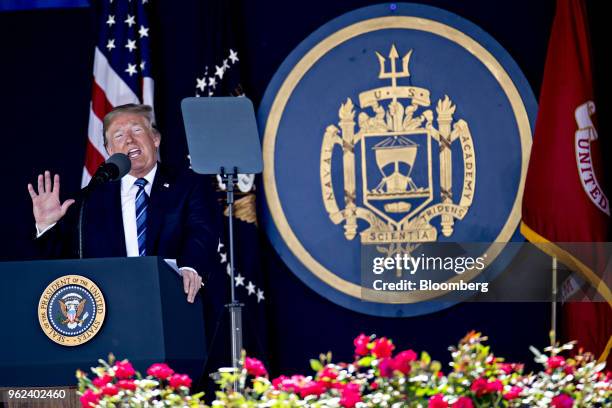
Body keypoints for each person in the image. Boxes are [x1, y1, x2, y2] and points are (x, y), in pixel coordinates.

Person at [27, 104, 220, 303]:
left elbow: (202, 231)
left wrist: (190, 268)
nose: (129, 139)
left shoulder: (188, 184)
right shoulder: (90, 199)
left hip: (175, 299)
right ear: (110, 150)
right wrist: (46, 226)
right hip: (112, 308)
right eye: (119, 136)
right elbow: (61, 260)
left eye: (137, 130)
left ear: (155, 139)